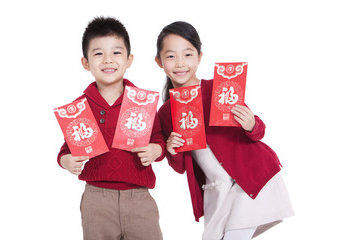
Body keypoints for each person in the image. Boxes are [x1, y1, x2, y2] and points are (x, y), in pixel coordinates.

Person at [155, 21, 294, 240]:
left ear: (199, 57)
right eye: (171, 56)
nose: (180, 63)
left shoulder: (219, 88)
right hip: (217, 190)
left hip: (249, 178)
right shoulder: (165, 112)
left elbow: (257, 131)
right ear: (159, 61)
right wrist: (172, 149)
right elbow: (180, 167)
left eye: (188, 55)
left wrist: (251, 124)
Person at [57, 17, 165, 240]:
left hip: (139, 197)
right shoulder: (79, 107)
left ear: (129, 60)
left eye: (116, 53)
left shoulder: (141, 102)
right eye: (98, 54)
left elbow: (158, 138)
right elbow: (67, 148)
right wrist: (67, 161)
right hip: (97, 199)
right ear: (85, 63)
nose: (108, 60)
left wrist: (156, 150)